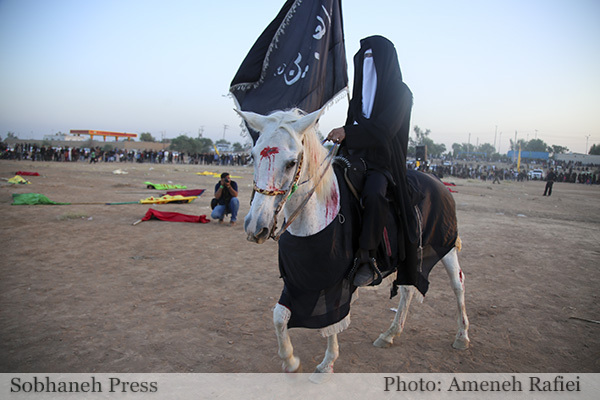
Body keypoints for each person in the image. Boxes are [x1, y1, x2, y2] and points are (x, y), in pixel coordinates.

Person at [326, 35, 414, 287]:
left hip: (382, 160)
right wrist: (341, 132)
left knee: (374, 195)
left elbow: (384, 130)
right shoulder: (358, 97)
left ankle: (367, 257)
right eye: (363, 59)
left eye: (372, 58)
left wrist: (348, 133)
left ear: (385, 61)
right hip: (354, 155)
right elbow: (354, 124)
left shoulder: (401, 93)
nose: (367, 64)